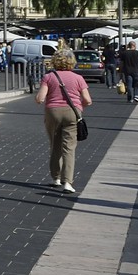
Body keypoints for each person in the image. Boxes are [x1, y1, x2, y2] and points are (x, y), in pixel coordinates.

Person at [35, 49, 91, 194]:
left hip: (53, 112)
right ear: (72, 62)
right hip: (72, 113)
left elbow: (40, 98)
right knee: (69, 148)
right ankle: (67, 182)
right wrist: (79, 108)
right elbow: (88, 100)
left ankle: (56, 178)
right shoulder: (78, 78)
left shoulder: (48, 77)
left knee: (55, 144)